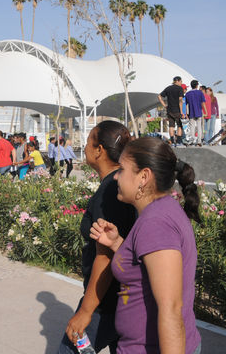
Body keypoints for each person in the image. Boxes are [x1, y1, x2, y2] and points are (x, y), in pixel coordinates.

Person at [90, 136, 202, 354]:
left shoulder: (156, 223)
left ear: (144, 176)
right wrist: (117, 244)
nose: (116, 178)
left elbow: (171, 310)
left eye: (122, 170)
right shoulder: (161, 210)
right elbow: (145, 267)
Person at [59, 121, 136, 354]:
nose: (84, 147)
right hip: (119, 299)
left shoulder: (110, 190)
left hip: (105, 302)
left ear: (99, 150)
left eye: (88, 141)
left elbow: (106, 254)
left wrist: (85, 311)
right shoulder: (118, 185)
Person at [158, 76, 185, 147]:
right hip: (177, 110)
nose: (181, 83)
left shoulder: (168, 88)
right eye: (181, 81)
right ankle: (179, 142)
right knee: (179, 126)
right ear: (178, 81)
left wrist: (165, 105)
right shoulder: (180, 89)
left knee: (171, 126)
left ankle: (172, 142)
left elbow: (159, 96)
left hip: (169, 110)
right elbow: (180, 100)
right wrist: (181, 111)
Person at [184, 80, 205, 146]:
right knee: (199, 127)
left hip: (191, 112)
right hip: (199, 112)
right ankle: (199, 141)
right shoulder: (200, 93)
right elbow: (203, 103)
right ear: (197, 85)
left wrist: (186, 113)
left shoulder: (187, 94)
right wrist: (205, 111)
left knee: (192, 127)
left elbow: (186, 104)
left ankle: (192, 140)